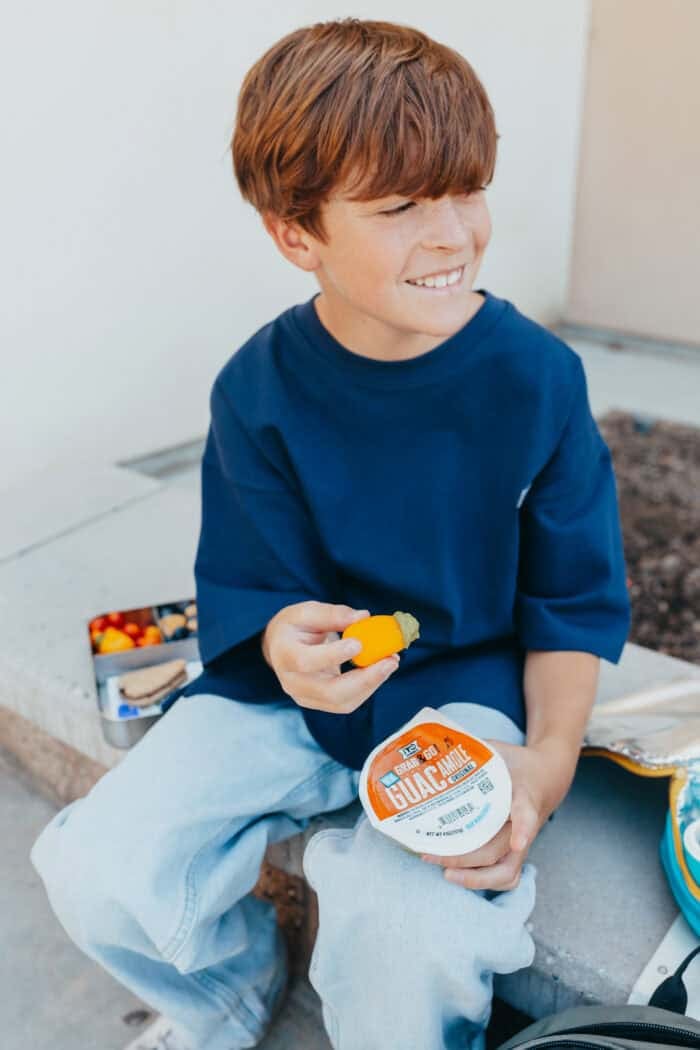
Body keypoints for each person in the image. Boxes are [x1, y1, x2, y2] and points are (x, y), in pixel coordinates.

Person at [30, 17, 631, 1050]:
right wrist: (276, 643)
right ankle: (227, 1000)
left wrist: (549, 762)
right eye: (399, 206)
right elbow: (248, 579)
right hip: (283, 698)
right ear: (295, 233)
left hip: (465, 691)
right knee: (95, 865)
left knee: (407, 932)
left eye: (465, 188)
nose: (450, 234)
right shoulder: (256, 388)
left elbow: (573, 602)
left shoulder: (536, 380)